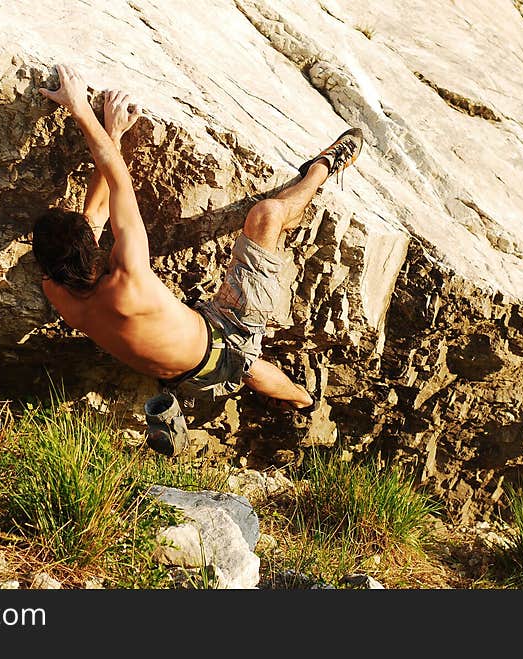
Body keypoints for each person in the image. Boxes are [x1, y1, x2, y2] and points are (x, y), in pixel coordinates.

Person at [34, 64, 363, 453]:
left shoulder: (57, 289)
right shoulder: (128, 278)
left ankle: (299, 402)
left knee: (246, 367)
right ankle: (323, 169)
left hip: (185, 370)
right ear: (92, 247)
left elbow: (94, 214)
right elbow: (116, 177)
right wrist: (80, 110)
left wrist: (115, 134)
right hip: (227, 338)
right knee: (267, 217)